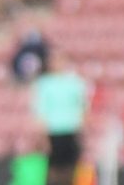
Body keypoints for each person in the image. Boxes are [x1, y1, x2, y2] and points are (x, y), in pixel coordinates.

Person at [31, 50, 88, 185]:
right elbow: (41, 111)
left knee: (70, 169)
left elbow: (82, 107)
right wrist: (43, 136)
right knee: (54, 169)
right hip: (53, 131)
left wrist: (83, 129)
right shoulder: (44, 84)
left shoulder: (76, 82)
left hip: (71, 129)